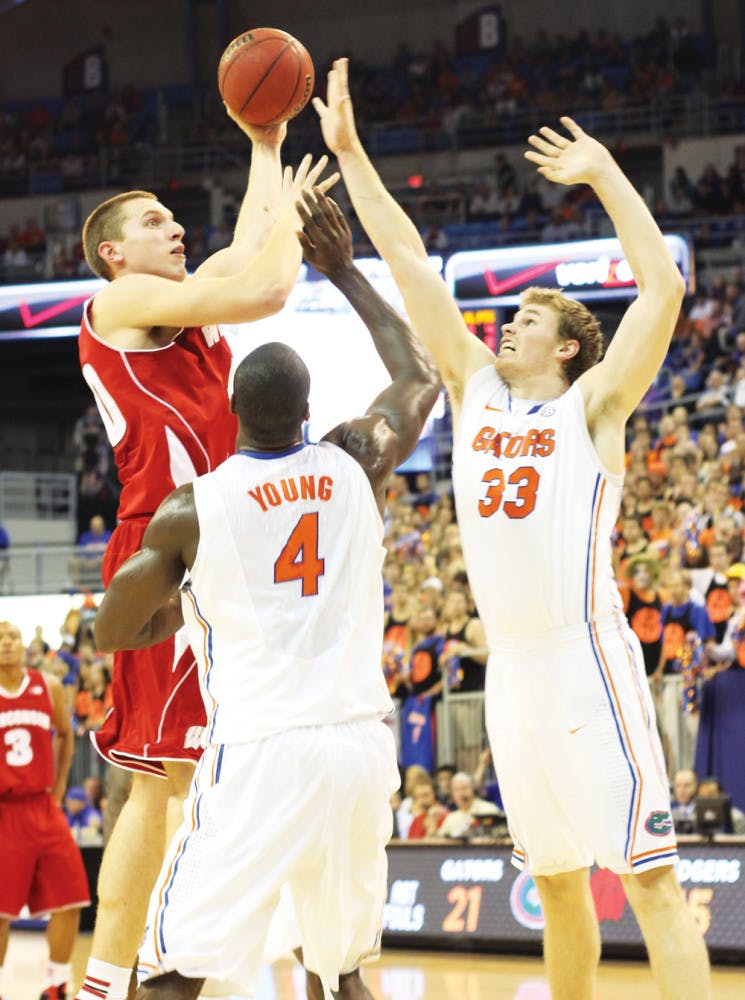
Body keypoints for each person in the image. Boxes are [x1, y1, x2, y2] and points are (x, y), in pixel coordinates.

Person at [313, 57, 711, 999]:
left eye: (527, 318)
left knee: (648, 878)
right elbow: (408, 260)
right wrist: (352, 151)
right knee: (557, 883)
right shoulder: (473, 389)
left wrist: (606, 174)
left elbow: (660, 293)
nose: (506, 324)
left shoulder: (597, 407)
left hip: (585, 657)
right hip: (514, 674)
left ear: (567, 347)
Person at [90, 190, 440, 1000]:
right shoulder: (354, 460)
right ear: (312, 412)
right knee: (342, 971)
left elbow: (113, 630)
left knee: (174, 972)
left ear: (230, 409)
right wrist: (344, 271)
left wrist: (182, 606)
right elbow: (417, 376)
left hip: (257, 752)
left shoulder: (195, 511)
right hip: (357, 748)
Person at [74, 113, 332, 1000]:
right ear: (112, 254)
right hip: (166, 551)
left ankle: (248, 964)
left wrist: (264, 140)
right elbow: (266, 289)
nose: (175, 228)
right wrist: (291, 222)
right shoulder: (116, 308)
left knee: (238, 769)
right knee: (170, 784)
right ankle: (120, 975)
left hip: (237, 552)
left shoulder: (188, 314)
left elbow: (252, 252)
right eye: (152, 223)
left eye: (173, 218)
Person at [0, 620, 90, 1000]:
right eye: (0, 638)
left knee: (73, 897)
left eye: (13, 636)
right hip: (5, 811)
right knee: (1, 911)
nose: (7, 642)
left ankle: (56, 984)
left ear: (24, 645)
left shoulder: (48, 686)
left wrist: (58, 784)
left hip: (43, 805)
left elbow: (66, 735)